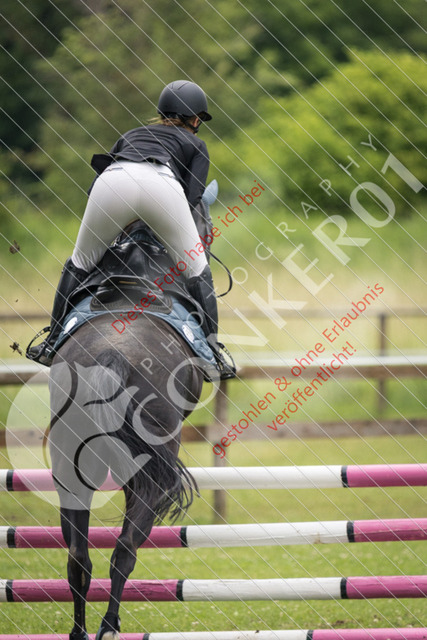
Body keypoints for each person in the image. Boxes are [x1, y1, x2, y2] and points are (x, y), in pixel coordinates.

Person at [27, 80, 236, 379]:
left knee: (80, 262)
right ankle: (213, 354)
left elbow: (95, 187)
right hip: (163, 186)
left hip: (113, 182)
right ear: (194, 119)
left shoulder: (131, 134)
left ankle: (51, 340)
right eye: (199, 119)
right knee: (197, 271)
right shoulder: (197, 144)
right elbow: (192, 199)